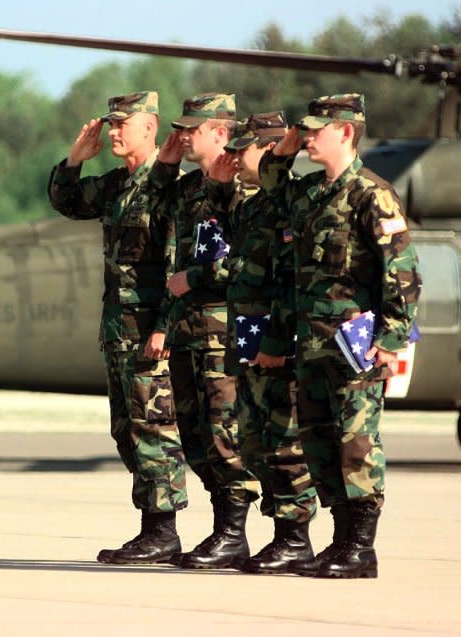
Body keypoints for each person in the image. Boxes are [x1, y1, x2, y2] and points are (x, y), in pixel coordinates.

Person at [259, 94, 422, 578]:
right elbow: (270, 183)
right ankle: (339, 542)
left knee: (356, 445)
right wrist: (286, 148)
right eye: (304, 129)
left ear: (346, 132)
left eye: (315, 130)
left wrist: (392, 338)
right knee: (319, 443)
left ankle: (360, 547)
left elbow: (403, 272)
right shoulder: (309, 193)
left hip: (355, 346)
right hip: (312, 344)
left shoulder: (373, 195)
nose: (307, 136)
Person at [48, 91, 187, 565]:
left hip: (150, 331)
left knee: (155, 430)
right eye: (110, 124)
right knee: (126, 431)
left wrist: (164, 327)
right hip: (119, 329)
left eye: (122, 124)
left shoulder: (170, 187)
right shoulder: (115, 186)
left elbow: (178, 262)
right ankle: (152, 528)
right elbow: (68, 202)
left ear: (149, 128)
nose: (112, 132)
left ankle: (162, 531)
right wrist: (73, 160)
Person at [149, 93, 260, 569]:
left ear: (221, 131)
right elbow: (148, 209)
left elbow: (251, 260)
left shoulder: (245, 187)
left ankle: (233, 533)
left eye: (192, 129)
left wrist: (195, 279)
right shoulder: (190, 187)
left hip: (225, 332)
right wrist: (164, 164)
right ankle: (224, 532)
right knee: (194, 436)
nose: (185, 135)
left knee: (224, 433)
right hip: (190, 331)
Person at [208, 112, 318, 574]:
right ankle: (280, 536)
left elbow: (292, 280)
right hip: (248, 335)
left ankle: (295, 538)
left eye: (244, 150)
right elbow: (224, 250)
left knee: (286, 438)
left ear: (272, 152)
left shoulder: (292, 205)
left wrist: (276, 339)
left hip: (278, 337)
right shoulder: (251, 206)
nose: (234, 159)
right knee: (254, 441)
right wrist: (216, 187)